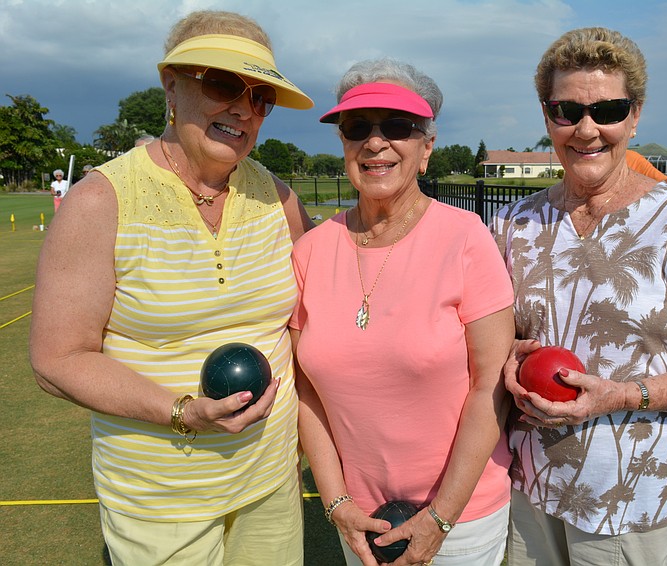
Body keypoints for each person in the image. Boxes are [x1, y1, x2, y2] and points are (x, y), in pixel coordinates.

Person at [30, 10, 314, 565]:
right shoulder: (101, 201)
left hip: (271, 484)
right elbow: (57, 359)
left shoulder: (278, 198)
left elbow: (308, 330)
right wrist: (181, 410)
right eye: (224, 84)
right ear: (171, 84)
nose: (243, 108)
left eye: (261, 98)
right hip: (158, 498)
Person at [489, 27, 667, 565]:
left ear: (634, 116)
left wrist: (619, 395)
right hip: (529, 483)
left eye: (608, 109)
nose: (587, 129)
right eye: (567, 110)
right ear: (547, 117)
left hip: (635, 496)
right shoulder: (514, 223)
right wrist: (506, 359)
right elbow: (495, 340)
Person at [290, 58, 515, 566]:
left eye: (396, 127)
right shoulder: (311, 251)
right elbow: (306, 390)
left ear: (426, 148)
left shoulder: (465, 239)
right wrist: (336, 502)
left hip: (459, 517)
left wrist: (441, 518)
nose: (375, 143)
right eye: (357, 128)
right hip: (361, 520)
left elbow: (491, 390)